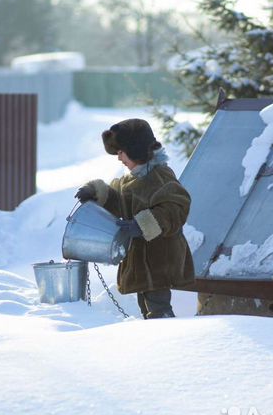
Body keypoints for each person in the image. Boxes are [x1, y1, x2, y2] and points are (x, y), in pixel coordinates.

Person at [75, 118, 195, 319]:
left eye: (121, 152)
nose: (119, 158)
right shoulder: (129, 180)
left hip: (160, 259)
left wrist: (142, 225)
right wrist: (96, 192)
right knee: (146, 307)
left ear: (136, 150)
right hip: (140, 260)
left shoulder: (161, 177)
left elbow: (176, 208)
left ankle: (170, 341)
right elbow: (117, 200)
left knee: (158, 308)